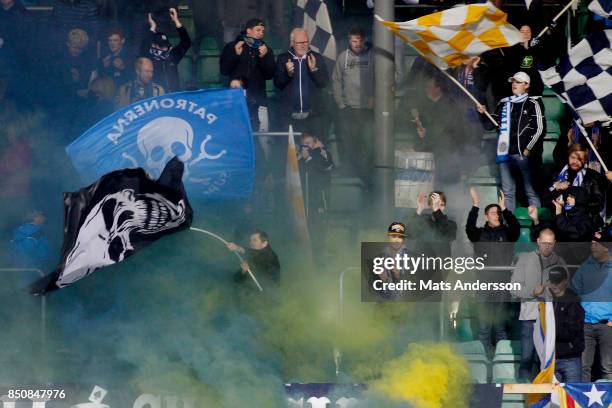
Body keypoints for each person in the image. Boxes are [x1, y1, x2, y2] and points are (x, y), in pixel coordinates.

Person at [477, 71, 544, 212]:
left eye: (518, 82)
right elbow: (490, 125)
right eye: (513, 81)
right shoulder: (504, 102)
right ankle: (509, 226)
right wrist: (483, 113)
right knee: (508, 192)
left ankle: (538, 226)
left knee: (530, 191)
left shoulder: (533, 103)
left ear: (527, 85)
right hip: (505, 154)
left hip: (523, 155)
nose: (514, 84)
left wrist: (528, 149)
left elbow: (539, 129)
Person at [466, 187, 520, 353]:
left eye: (498, 213)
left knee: (500, 328)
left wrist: (505, 209)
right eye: (493, 212)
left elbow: (516, 229)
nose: (496, 215)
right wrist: (475, 205)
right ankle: (484, 362)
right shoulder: (479, 234)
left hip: (502, 285)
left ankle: (501, 361)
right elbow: (469, 228)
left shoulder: (507, 233)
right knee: (484, 327)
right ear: (486, 216)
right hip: (483, 284)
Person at [510, 228, 565, 380]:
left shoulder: (559, 261)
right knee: (527, 358)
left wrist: (557, 290)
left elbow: (565, 289)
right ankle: (525, 395)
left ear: (554, 244)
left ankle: (544, 397)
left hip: (551, 317)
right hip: (530, 316)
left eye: (550, 244)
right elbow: (513, 288)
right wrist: (532, 293)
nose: (547, 246)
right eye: (544, 243)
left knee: (546, 359)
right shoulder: (525, 259)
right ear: (538, 242)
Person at [331, 26, 374, 178]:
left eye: (360, 41)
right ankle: (351, 174)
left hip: (368, 110)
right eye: (354, 40)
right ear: (349, 41)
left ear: (364, 41)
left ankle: (366, 175)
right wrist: (341, 104)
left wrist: (375, 98)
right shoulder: (343, 57)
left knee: (367, 144)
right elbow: (336, 81)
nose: (357, 43)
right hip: (349, 110)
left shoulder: (372, 57)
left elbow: (381, 79)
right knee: (350, 144)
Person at [220, 18, 275, 135]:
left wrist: (264, 57)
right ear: (248, 31)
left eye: (263, 31)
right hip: (236, 100)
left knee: (261, 137)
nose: (261, 33)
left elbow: (269, 75)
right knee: (236, 135)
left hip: (258, 101)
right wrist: (235, 55)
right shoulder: (232, 46)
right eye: (258, 30)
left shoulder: (266, 50)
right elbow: (224, 71)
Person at [408, 75, 465, 190]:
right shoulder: (426, 105)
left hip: (448, 153)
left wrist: (421, 141)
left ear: (438, 89)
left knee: (446, 188)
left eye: (429, 87)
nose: (426, 89)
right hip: (435, 154)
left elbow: (440, 131)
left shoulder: (449, 106)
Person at [274, 28, 329, 138]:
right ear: (292, 43)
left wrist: (314, 71)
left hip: (313, 116)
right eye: (299, 42)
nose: (303, 45)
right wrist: (287, 74)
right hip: (289, 116)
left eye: (306, 42)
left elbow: (324, 83)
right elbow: (278, 84)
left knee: (314, 152)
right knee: (290, 152)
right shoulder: (283, 58)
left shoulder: (317, 58)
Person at [572, 240, 612, 381]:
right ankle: (583, 402)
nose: (592, 247)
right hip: (586, 325)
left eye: (597, 244)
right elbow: (574, 290)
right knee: (583, 366)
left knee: (608, 367)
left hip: (607, 325)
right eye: (592, 244)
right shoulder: (585, 267)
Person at [546, 143, 606, 222]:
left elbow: (598, 204)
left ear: (585, 160)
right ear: (568, 157)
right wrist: (555, 188)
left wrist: (576, 202)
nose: (575, 161)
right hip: (559, 219)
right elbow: (546, 197)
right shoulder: (558, 173)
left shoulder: (594, 176)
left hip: (583, 222)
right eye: (573, 157)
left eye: (580, 159)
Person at [548, 266, 585, 383]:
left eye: (557, 281)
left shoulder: (574, 303)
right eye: (552, 281)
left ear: (565, 281)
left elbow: (571, 331)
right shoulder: (547, 302)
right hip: (551, 360)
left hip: (570, 359)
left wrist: (553, 332)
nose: (554, 285)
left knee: (573, 398)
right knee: (554, 400)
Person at [141, 7, 191, 92]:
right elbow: (143, 46)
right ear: (153, 45)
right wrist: (152, 27)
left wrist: (176, 21)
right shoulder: (148, 57)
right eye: (161, 46)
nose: (165, 48)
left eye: (166, 46)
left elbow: (186, 42)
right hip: (155, 97)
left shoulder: (172, 56)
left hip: (173, 97)